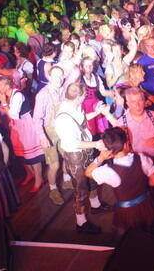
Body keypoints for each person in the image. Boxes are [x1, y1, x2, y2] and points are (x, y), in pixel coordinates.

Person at [54, 82, 110, 234]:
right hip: (75, 156)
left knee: (91, 180)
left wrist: (97, 112)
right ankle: (81, 223)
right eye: (84, 95)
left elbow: (81, 120)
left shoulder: (74, 106)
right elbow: (73, 143)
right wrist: (96, 144)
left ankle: (96, 205)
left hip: (86, 151)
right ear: (78, 97)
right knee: (81, 190)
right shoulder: (63, 119)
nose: (86, 96)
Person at [85, 127, 154, 235]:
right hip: (147, 205)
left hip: (127, 212)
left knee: (131, 237)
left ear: (108, 150)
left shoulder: (109, 171)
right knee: (151, 233)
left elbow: (88, 173)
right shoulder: (141, 158)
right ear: (126, 145)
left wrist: (100, 158)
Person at [0, 75, 44, 192]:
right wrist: (3, 103)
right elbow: (3, 113)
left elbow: (14, 115)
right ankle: (30, 174)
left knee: (32, 155)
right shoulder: (7, 95)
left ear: (7, 86)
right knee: (20, 152)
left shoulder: (18, 95)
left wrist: (3, 102)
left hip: (26, 124)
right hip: (16, 126)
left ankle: (39, 179)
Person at [102, 87, 154, 162]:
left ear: (144, 101)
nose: (137, 105)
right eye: (133, 102)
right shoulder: (121, 123)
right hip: (134, 166)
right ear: (128, 104)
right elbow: (115, 147)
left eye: (140, 100)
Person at [33, 66, 69, 205]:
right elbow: (37, 119)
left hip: (63, 129)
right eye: (55, 76)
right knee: (54, 164)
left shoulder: (64, 90)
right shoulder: (43, 94)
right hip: (49, 132)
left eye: (61, 76)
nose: (58, 79)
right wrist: (43, 137)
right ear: (49, 76)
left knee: (68, 156)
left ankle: (66, 180)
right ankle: (53, 190)